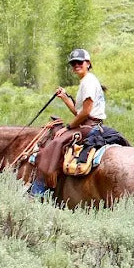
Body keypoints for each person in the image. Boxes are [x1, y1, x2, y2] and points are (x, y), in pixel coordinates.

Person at [28, 48, 107, 198]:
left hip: (88, 126)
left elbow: (85, 113)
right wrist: (65, 97)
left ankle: (38, 191)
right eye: (73, 63)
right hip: (89, 124)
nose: (76, 65)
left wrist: (68, 127)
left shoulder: (88, 82)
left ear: (88, 63)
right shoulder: (87, 80)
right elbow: (79, 112)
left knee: (55, 144)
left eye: (80, 62)